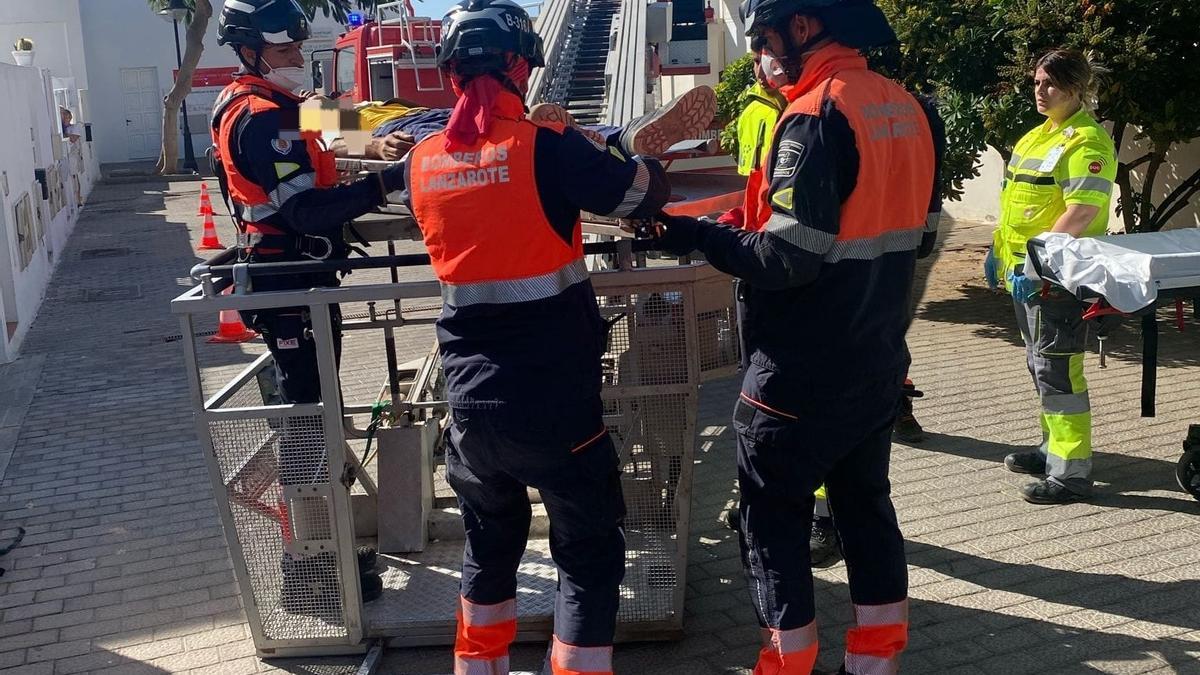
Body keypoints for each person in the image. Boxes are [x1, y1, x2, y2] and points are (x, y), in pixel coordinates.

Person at [652, 0, 941, 670]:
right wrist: (737, 221)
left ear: (805, 28)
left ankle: (788, 664)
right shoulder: (913, 109)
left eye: (765, 41)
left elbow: (786, 260)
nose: (761, 56)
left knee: (772, 522)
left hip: (798, 374)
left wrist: (696, 236)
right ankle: (874, 663)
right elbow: (916, 237)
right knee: (866, 514)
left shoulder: (813, 115)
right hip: (875, 361)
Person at [403, 1, 671, 672]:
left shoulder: (422, 161)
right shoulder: (548, 151)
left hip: (468, 407)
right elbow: (643, 195)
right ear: (521, 67)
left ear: (452, 73)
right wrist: (614, 148)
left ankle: (477, 666)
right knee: (586, 553)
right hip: (555, 408)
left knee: (489, 545)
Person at [210, 0, 407, 613]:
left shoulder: (281, 105)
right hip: (287, 288)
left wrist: (376, 144)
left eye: (300, 48)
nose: (300, 58)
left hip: (298, 283)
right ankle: (311, 569)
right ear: (250, 52)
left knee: (313, 422)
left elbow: (349, 122)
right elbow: (304, 212)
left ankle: (327, 548)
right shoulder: (263, 119)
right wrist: (387, 181)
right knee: (307, 430)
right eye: (287, 51)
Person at [987, 48, 1115, 505]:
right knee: (1040, 365)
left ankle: (1071, 474)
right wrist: (997, 252)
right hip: (1026, 274)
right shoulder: (1036, 138)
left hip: (1056, 278)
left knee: (1059, 373)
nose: (1040, 91)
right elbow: (1014, 207)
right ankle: (1050, 449)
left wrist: (1036, 263)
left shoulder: (1087, 143)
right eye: (1036, 82)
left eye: (1051, 84)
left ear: (1076, 88)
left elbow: (1081, 213)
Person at [350, 88, 717, 162]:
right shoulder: (332, 114)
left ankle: (624, 136)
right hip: (410, 133)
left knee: (515, 128)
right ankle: (617, 139)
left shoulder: (374, 103)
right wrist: (374, 147)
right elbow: (328, 146)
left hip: (437, 115)